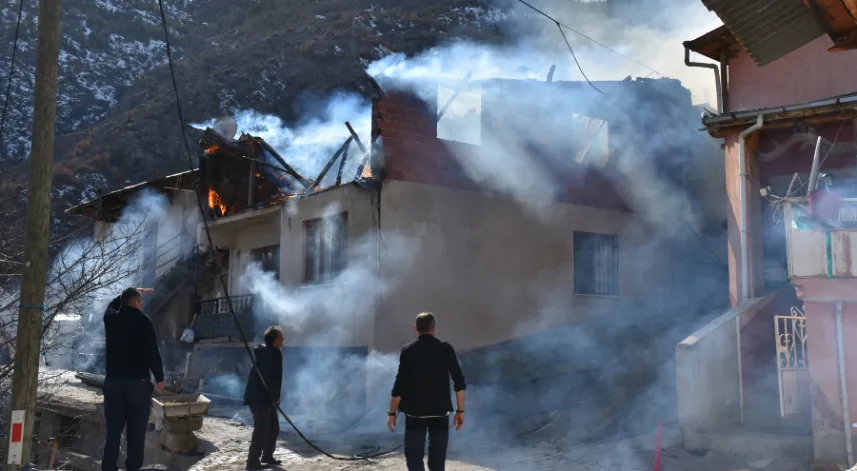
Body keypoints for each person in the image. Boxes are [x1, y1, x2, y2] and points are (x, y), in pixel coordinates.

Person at [388, 312, 467, 471]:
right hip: (440, 412)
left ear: (415, 328)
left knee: (414, 459)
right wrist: (460, 411)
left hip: (414, 414)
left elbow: (399, 385)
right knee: (437, 460)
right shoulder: (446, 349)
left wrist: (391, 413)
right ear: (433, 328)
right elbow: (459, 383)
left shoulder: (408, 350)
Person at [102, 288, 165, 471]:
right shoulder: (144, 321)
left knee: (113, 433)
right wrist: (159, 378)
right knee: (136, 434)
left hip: (114, 384)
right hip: (138, 385)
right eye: (140, 301)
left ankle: (109, 468)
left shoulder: (111, 319)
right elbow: (153, 352)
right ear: (136, 302)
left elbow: (110, 306)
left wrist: (125, 295)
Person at [243, 326, 284, 470]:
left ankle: (267, 455)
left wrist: (274, 397)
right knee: (261, 430)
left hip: (266, 397)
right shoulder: (269, 354)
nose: (283, 339)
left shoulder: (272, 352)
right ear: (275, 339)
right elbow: (266, 378)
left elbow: (274, 379)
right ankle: (252, 462)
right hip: (259, 397)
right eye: (281, 336)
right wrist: (274, 398)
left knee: (273, 427)